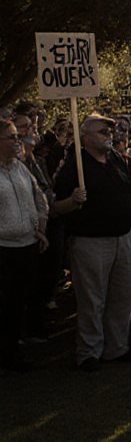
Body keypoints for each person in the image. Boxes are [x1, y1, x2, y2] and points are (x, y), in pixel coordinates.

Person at [52, 116, 131, 371]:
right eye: (103, 131)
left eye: (110, 131)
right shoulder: (74, 165)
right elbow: (55, 208)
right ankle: (89, 352)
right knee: (92, 299)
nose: (109, 135)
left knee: (123, 297)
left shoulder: (115, 159)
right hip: (91, 241)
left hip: (123, 237)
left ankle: (117, 347)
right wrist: (72, 201)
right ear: (86, 137)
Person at [0, 118, 49, 373]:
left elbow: (38, 197)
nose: (17, 141)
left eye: (17, 136)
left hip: (26, 245)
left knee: (17, 303)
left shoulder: (19, 168)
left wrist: (38, 227)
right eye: (11, 137)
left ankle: (11, 355)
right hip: (3, 248)